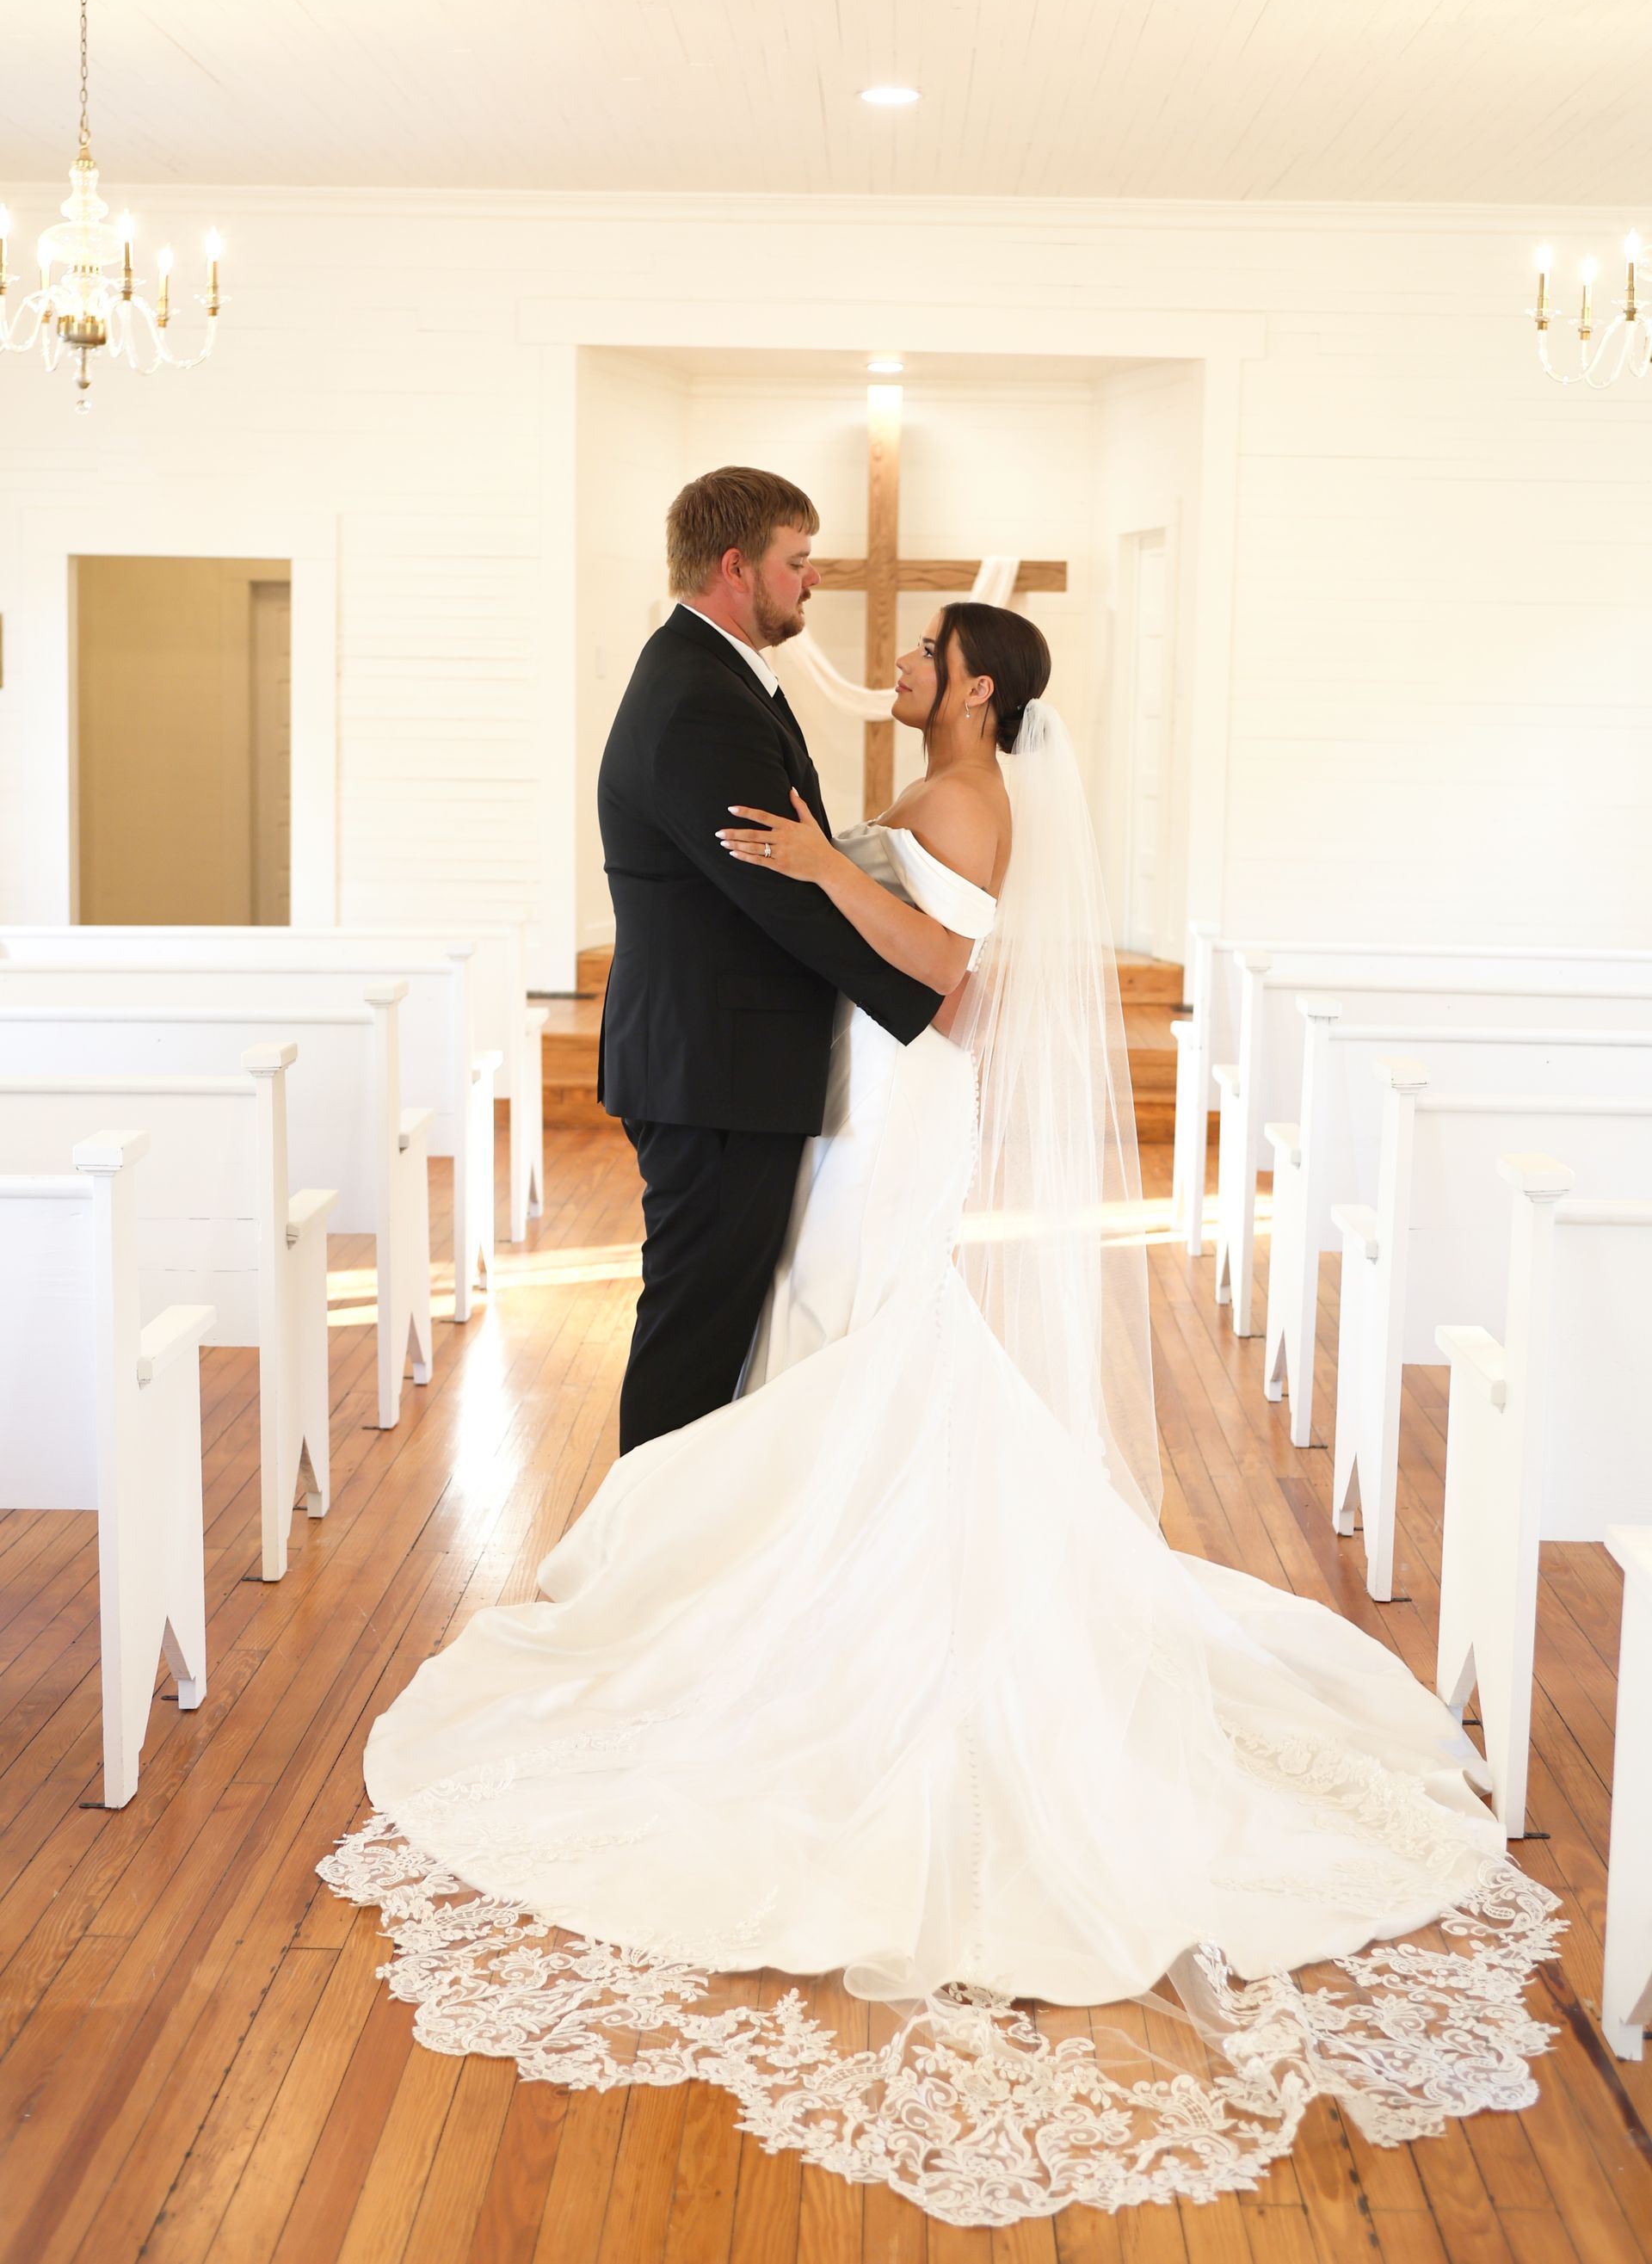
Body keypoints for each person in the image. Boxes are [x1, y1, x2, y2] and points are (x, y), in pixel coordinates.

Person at [324, 599, 1556, 2228]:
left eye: (922, 658)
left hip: (904, 1100)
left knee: (868, 1332)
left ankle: (856, 1620)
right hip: (861, 1091)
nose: (896, 671)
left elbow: (961, 985)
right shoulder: (945, 789)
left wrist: (837, 871)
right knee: (830, 1336)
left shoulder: (972, 801)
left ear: (974, 687)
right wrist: (845, 862)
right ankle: (802, 1595)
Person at [593, 465, 940, 1451]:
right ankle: (640, 1565)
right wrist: (924, 994)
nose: (814, 577)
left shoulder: (711, 674)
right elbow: (780, 891)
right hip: (715, 1071)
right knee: (695, 1331)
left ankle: (667, 1549)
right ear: (738, 567)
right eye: (799, 560)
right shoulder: (698, 696)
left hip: (720, 1063)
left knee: (716, 1322)